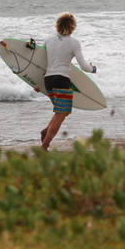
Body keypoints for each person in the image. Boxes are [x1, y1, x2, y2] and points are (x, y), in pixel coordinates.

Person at [40, 12, 96, 150]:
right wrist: (93, 69)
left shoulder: (48, 40)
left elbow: (40, 62)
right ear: (72, 27)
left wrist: (37, 84)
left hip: (48, 80)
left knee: (61, 112)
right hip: (62, 80)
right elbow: (83, 66)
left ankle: (46, 131)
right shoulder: (74, 43)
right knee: (61, 114)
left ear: (57, 25)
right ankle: (45, 146)